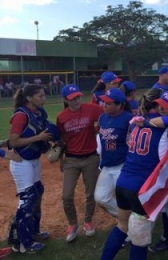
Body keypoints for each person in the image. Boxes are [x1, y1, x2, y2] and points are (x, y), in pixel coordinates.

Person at [100, 89, 168, 260]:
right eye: (159, 105)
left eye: (165, 106)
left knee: (122, 225)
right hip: (142, 187)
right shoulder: (165, 129)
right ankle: (167, 239)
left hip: (123, 182)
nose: (162, 109)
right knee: (140, 238)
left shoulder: (135, 124)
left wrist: (145, 122)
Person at [8, 85, 54, 253]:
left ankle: (33, 231)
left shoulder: (40, 113)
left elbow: (42, 133)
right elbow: (13, 141)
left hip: (34, 160)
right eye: (40, 96)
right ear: (29, 98)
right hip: (22, 163)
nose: (44, 98)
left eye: (44, 95)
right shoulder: (21, 115)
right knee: (27, 200)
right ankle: (21, 244)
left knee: (37, 191)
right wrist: (39, 137)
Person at [57, 84, 104, 243]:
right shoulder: (62, 117)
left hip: (90, 157)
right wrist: (61, 159)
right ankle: (72, 224)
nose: (76, 100)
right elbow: (62, 140)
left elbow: (108, 115)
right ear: (65, 100)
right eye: (72, 98)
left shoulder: (92, 109)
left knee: (90, 193)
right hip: (71, 159)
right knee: (66, 195)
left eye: (77, 96)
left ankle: (88, 221)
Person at [94, 88, 133, 217]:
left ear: (120, 105)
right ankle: (126, 220)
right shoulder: (102, 118)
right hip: (106, 165)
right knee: (100, 198)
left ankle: (132, 225)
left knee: (127, 199)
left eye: (109, 103)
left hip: (122, 165)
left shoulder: (129, 119)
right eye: (104, 102)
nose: (104, 105)